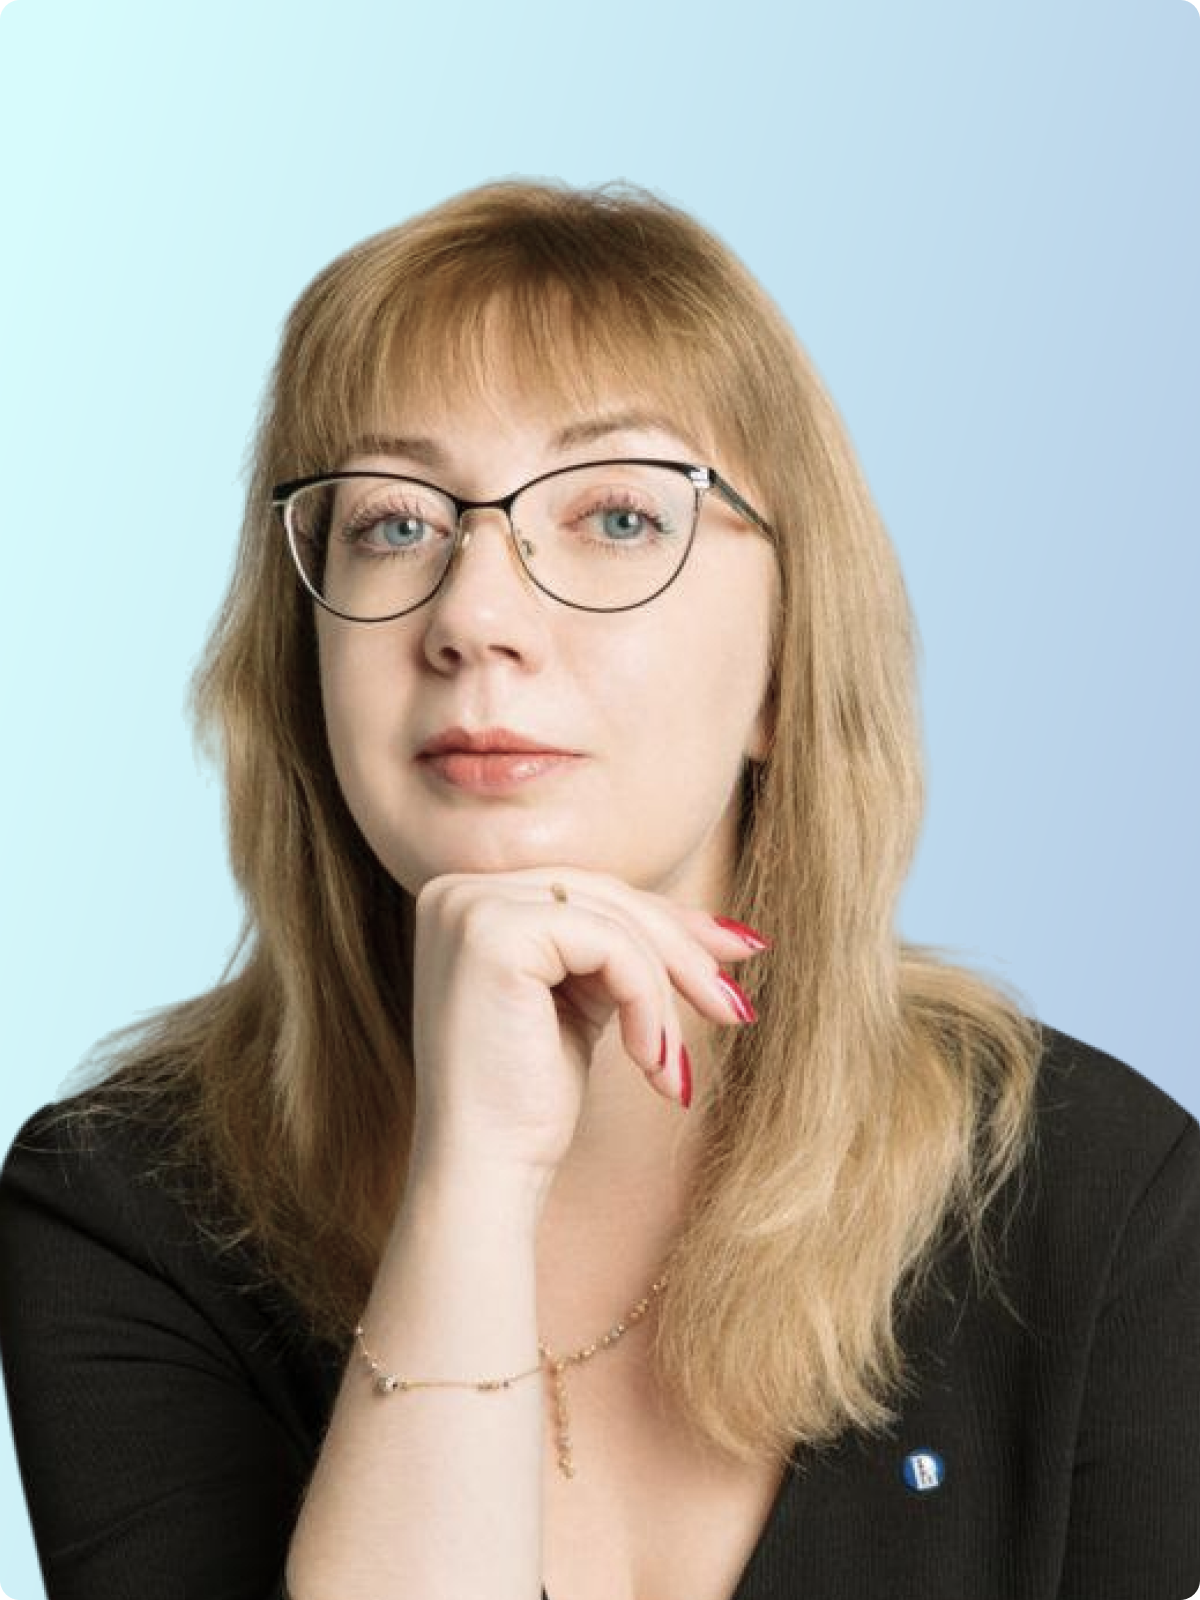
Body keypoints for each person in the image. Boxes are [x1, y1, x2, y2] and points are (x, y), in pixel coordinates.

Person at [0, 179, 1197, 1600]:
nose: (473, 616)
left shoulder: (1101, 1198)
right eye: (392, 524)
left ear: (787, 665)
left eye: (619, 516)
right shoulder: (125, 1207)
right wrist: (471, 1182)